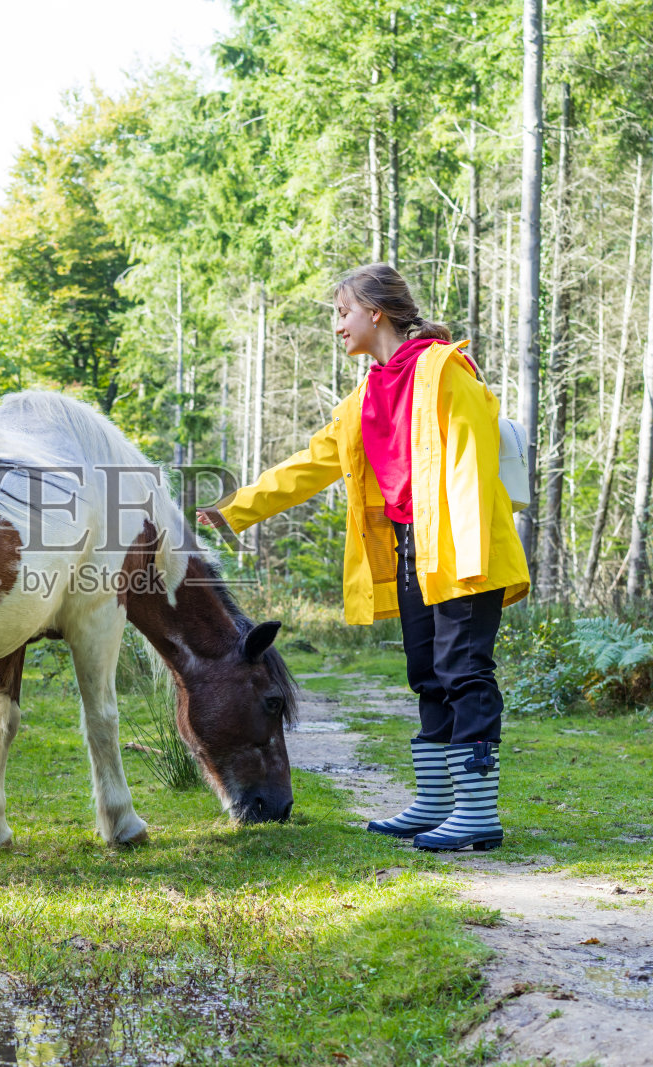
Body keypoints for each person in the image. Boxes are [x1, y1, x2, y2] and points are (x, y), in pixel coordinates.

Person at [197, 263, 529, 852]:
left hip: (462, 546)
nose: (337, 326)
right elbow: (310, 465)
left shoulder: (444, 369)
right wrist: (235, 510)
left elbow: (470, 464)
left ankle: (476, 815)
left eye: (342, 312)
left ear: (376, 312)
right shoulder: (365, 395)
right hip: (413, 551)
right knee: (427, 673)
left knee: (465, 672)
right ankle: (436, 803)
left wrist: (466, 552)